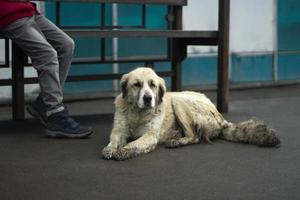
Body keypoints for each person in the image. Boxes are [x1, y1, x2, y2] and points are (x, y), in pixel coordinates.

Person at [0, 1, 93, 138]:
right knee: (47, 54)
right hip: (8, 13)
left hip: (28, 11)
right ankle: (55, 113)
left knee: (66, 45)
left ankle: (43, 103)